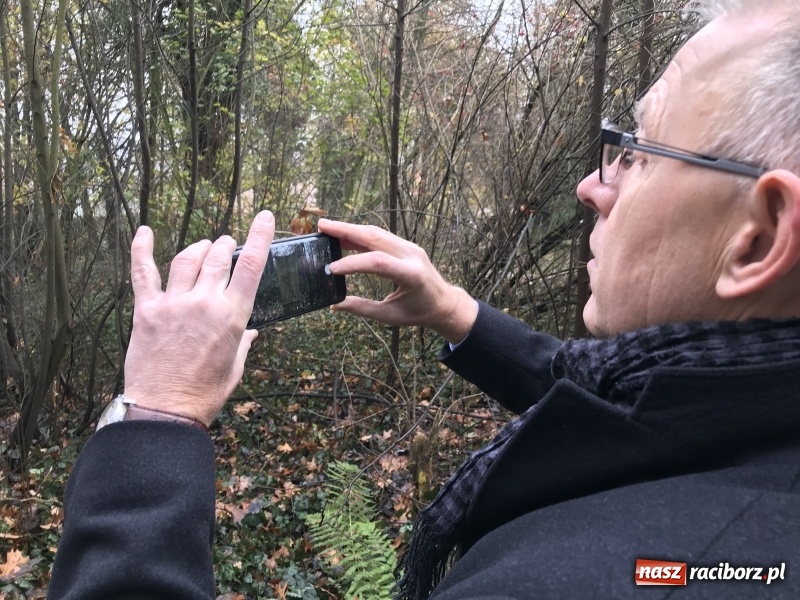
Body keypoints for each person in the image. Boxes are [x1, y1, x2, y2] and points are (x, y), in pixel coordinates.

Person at [49, 0, 800, 598]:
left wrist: (158, 415)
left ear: (759, 237)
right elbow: (650, 413)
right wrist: (455, 313)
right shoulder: (758, 417)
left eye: (637, 150)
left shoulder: (575, 580)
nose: (592, 186)